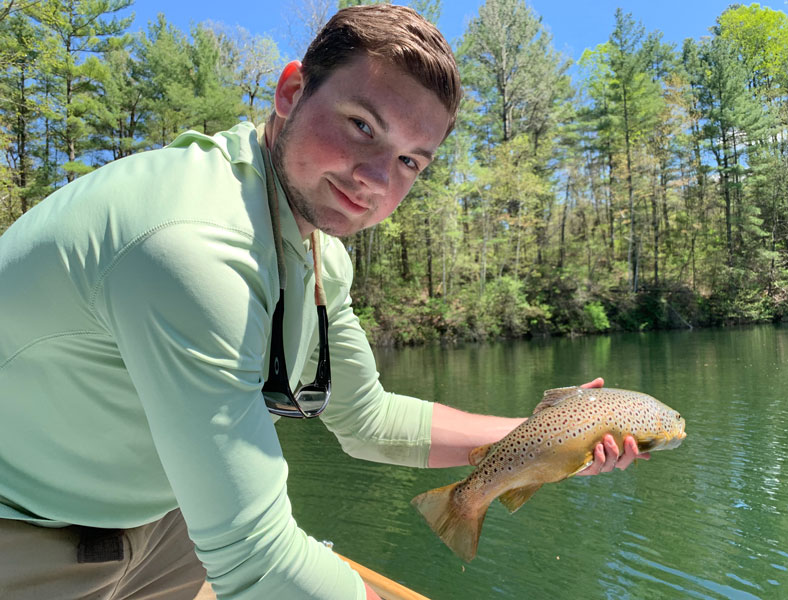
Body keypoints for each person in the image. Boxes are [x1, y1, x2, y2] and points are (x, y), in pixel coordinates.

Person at [0, 5, 647, 600]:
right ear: (290, 92)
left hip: (169, 523)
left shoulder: (315, 253)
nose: (375, 179)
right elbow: (254, 559)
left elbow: (370, 421)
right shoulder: (193, 248)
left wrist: (544, 439)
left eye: (409, 163)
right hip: (29, 537)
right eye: (362, 126)